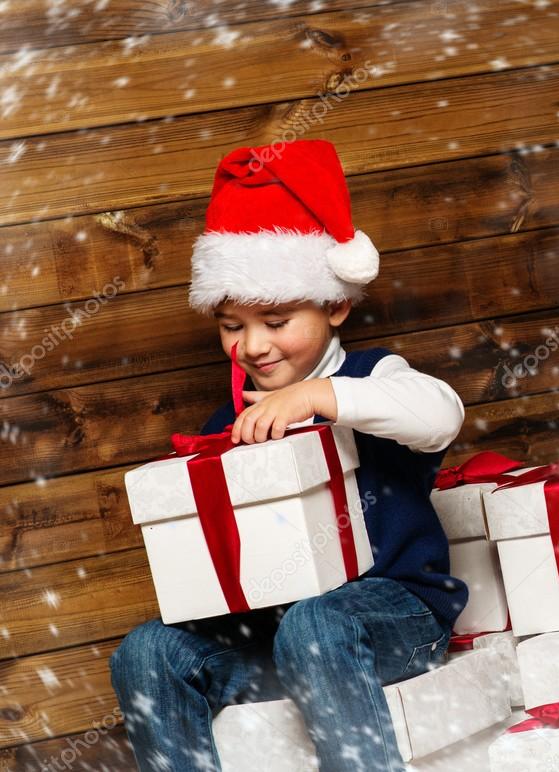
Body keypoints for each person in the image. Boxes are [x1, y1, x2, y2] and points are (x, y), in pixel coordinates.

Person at [109, 139, 469, 772]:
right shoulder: (230, 423)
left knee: (317, 624)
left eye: (275, 320)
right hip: (277, 635)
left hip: (394, 616)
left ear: (334, 303)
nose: (252, 345)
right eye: (231, 325)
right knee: (147, 650)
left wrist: (320, 396)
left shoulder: (371, 378)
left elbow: (442, 416)